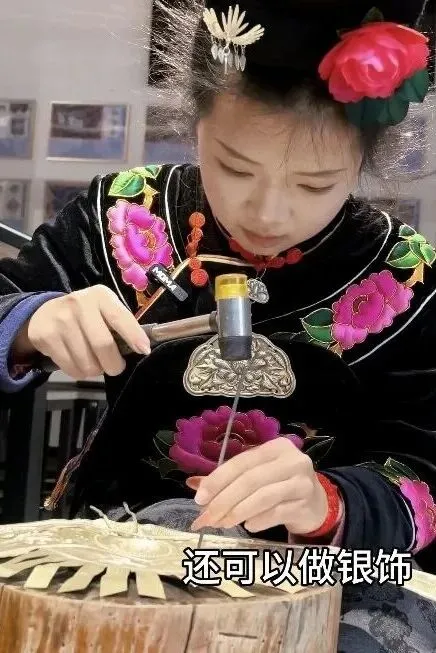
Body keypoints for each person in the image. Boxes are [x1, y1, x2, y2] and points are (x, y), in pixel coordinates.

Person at [1, 0, 436, 649]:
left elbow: (426, 467)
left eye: (314, 184)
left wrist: (330, 502)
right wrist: (30, 321)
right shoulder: (125, 217)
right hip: (127, 546)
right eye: (234, 167)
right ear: (196, 125)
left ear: (362, 163)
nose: (267, 212)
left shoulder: (405, 278)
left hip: (335, 570)